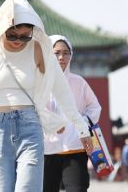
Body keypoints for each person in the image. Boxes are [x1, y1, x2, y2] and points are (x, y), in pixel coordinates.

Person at [0, 0, 93, 192]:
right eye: (12, 35)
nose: (18, 41)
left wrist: (82, 129)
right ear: (4, 28)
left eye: (25, 36)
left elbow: (62, 92)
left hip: (30, 126)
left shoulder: (39, 49)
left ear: (33, 30)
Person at [43, 35, 102, 192]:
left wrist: (82, 122)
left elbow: (95, 108)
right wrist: (52, 123)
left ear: (71, 54)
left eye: (66, 52)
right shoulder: (40, 82)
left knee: (78, 189)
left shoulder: (79, 82)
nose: (61, 57)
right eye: (56, 53)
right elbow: (33, 109)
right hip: (47, 148)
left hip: (75, 146)